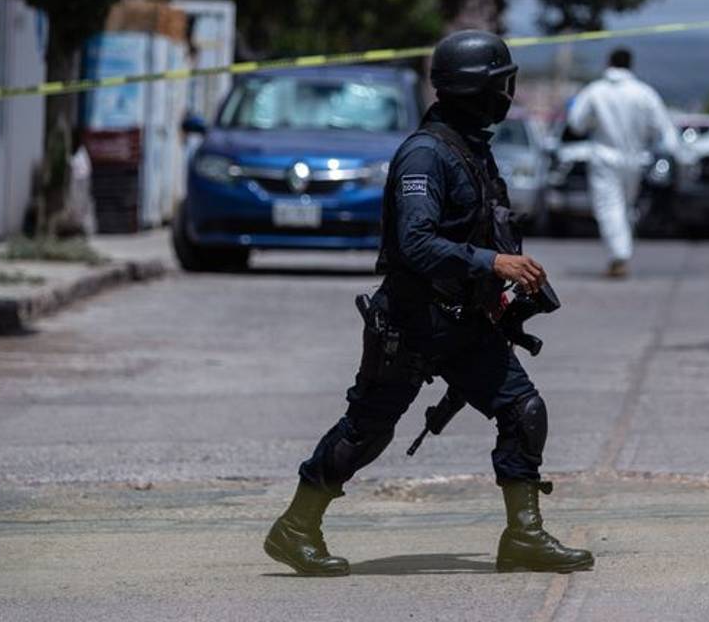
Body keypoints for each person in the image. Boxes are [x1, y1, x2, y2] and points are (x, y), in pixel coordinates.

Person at [263, 30, 594, 576]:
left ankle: (525, 536)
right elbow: (415, 243)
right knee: (367, 429)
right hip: (413, 321)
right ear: (475, 89)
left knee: (523, 411)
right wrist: (491, 264)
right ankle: (295, 528)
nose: (506, 95)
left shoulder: (473, 149)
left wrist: (501, 286)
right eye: (500, 84)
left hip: (465, 323)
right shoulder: (425, 154)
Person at [567, 48, 677, 278]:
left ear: (608, 63)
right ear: (631, 64)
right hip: (635, 159)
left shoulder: (596, 91)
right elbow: (663, 127)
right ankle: (620, 253)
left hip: (605, 157)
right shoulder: (643, 93)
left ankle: (619, 256)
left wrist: (594, 122)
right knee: (625, 206)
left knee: (609, 207)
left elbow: (576, 122)